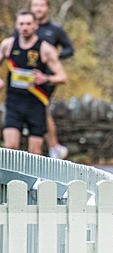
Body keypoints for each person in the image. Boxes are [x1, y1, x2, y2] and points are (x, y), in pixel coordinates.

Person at [0, 9, 67, 155]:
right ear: (16, 25)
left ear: (35, 25)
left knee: (34, 154)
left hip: (36, 103)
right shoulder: (8, 45)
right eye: (21, 23)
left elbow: (62, 77)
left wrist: (46, 78)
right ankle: (9, 178)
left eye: (28, 23)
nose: (25, 27)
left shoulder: (45, 49)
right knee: (10, 148)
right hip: (13, 103)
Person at [29, 0, 73, 159]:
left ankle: (52, 147)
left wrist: (54, 56)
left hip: (47, 78)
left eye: (41, 5)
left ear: (47, 8)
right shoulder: (24, 27)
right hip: (26, 78)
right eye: (35, 5)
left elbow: (70, 49)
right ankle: (53, 147)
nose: (38, 8)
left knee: (41, 108)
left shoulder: (54, 30)